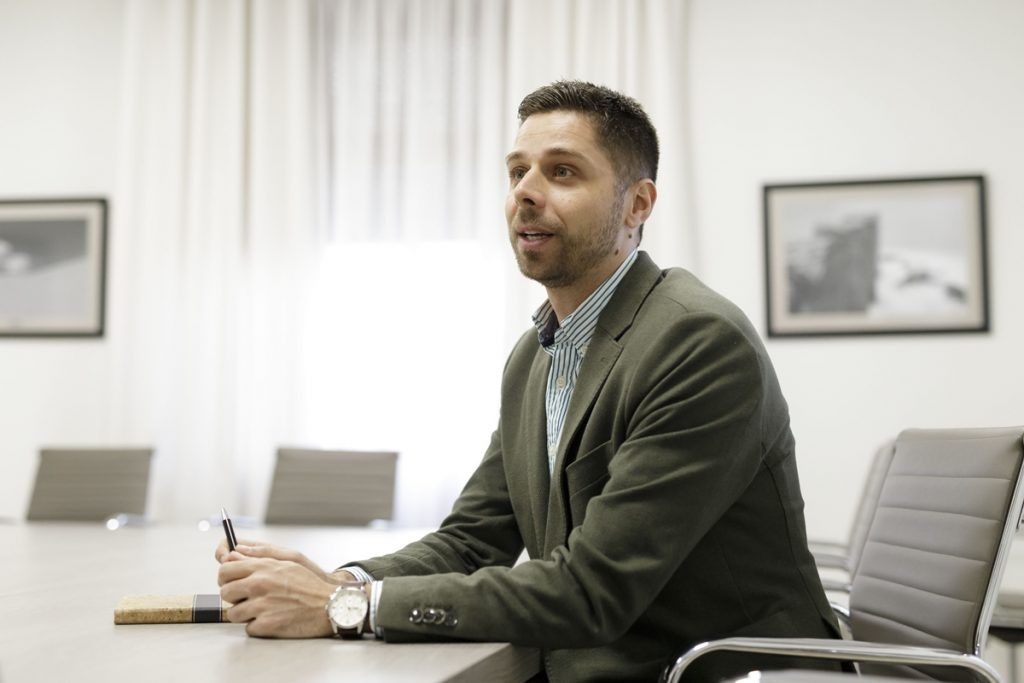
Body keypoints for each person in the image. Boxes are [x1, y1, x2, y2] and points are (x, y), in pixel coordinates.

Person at [217, 80, 842, 682]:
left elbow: (591, 591)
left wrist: (345, 609)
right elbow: (470, 540)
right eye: (517, 172)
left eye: (562, 172)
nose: (525, 193)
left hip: (711, 671)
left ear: (638, 204)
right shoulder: (536, 354)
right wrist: (338, 583)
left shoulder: (698, 342)